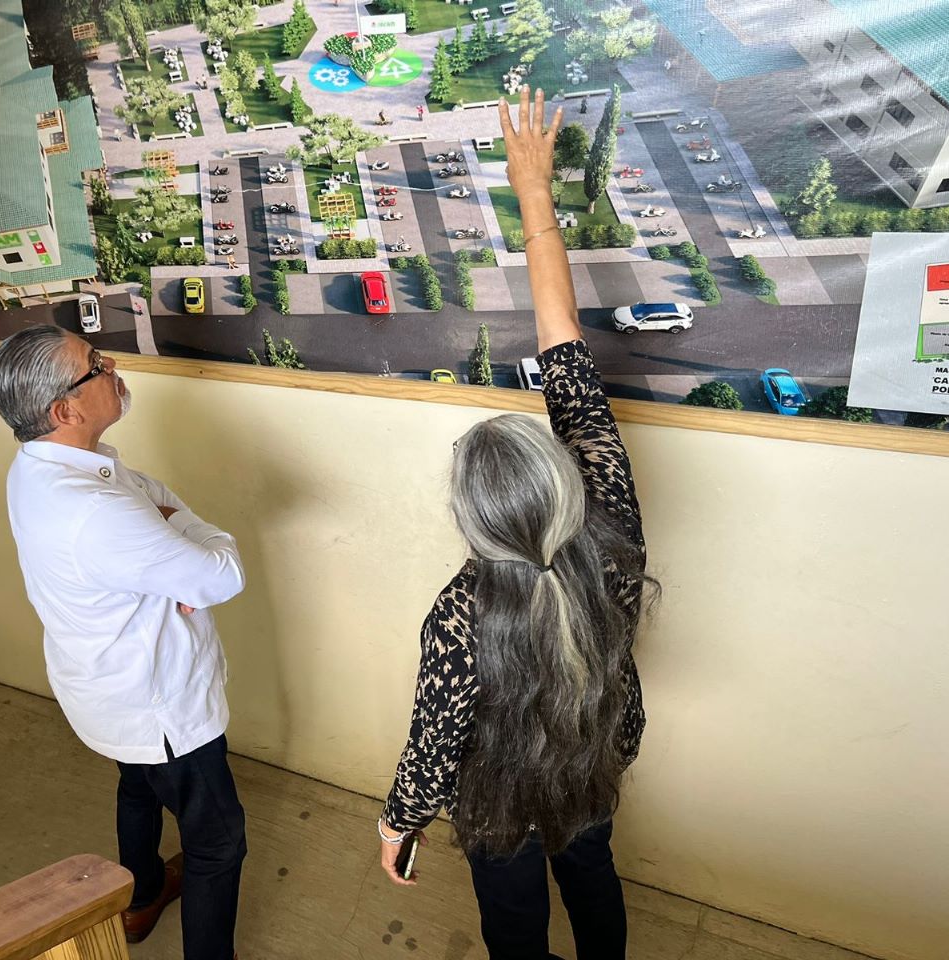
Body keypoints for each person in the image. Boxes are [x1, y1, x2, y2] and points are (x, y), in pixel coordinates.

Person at [377, 88, 658, 960]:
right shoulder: (611, 517)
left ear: (474, 524)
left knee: (512, 924)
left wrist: (397, 824)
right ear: (563, 475)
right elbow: (563, 337)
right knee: (594, 878)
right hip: (595, 765)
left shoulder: (460, 613)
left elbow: (434, 741)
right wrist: (534, 187)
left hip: (498, 805)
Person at [0, 326, 247, 960]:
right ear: (64, 410)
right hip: (162, 709)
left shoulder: (42, 465)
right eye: (95, 365)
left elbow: (150, 497)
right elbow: (222, 575)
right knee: (218, 843)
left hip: (106, 691)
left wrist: (165, 530)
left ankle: (142, 896)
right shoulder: (96, 510)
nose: (112, 369)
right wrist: (182, 530)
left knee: (138, 787)